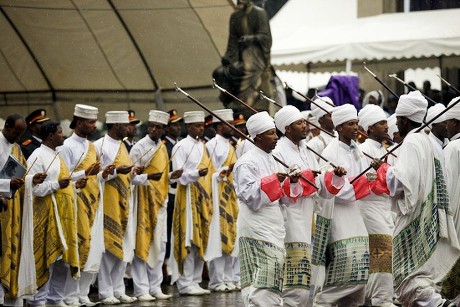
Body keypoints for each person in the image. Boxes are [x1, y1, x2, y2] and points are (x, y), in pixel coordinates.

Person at [371, 91, 459, 307]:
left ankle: (437, 305)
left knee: (406, 277)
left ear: (404, 119)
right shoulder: (430, 142)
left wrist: (382, 169)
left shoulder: (412, 142)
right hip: (430, 215)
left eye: (398, 119)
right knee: (419, 275)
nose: (397, 124)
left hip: (414, 217)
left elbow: (401, 182)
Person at [273, 106, 347, 307]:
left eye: (305, 122)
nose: (305, 126)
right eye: (300, 123)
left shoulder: (306, 150)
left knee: (305, 269)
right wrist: (304, 177)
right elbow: (281, 187)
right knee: (296, 267)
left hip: (307, 214)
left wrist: (335, 176)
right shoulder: (278, 152)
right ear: (287, 129)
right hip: (290, 214)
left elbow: (319, 184)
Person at [312, 104, 375, 307]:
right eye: (350, 124)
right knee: (346, 264)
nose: (356, 127)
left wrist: (372, 174)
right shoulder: (330, 152)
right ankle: (322, 301)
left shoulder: (357, 149)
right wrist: (362, 183)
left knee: (362, 267)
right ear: (339, 127)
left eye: (356, 123)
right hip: (338, 214)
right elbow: (331, 188)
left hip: (355, 214)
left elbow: (365, 177)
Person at [233, 111, 290, 306]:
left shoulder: (272, 159)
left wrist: (292, 180)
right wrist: (274, 180)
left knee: (274, 269)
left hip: (274, 222)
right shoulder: (246, 162)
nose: (276, 138)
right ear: (258, 137)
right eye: (272, 133)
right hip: (256, 223)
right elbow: (249, 196)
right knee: (267, 269)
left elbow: (280, 195)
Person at [26, 121, 80, 307]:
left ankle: (55, 299)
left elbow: (63, 182)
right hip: (45, 217)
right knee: (45, 260)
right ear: (50, 136)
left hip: (62, 216)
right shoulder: (37, 156)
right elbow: (34, 189)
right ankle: (39, 301)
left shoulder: (56, 154)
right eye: (60, 132)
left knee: (62, 261)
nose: (63, 135)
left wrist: (75, 183)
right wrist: (58, 185)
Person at [93, 111, 144, 305]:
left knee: (123, 246)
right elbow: (95, 176)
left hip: (124, 201)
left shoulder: (123, 146)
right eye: (125, 125)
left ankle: (118, 289)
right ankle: (106, 292)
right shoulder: (99, 146)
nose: (129, 128)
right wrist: (115, 171)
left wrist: (134, 173)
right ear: (116, 126)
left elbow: (128, 176)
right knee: (108, 248)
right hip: (107, 203)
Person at [130, 110, 181, 301]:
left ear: (163, 129)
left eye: (158, 127)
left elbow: (160, 176)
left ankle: (155, 287)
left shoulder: (162, 146)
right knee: (142, 245)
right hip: (143, 202)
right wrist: (147, 177)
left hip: (160, 202)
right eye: (151, 126)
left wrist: (170, 177)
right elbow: (131, 177)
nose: (153, 129)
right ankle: (141, 290)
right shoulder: (139, 147)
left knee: (159, 246)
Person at [58, 104, 104, 307]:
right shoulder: (67, 146)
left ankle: (82, 294)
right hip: (75, 203)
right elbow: (64, 177)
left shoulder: (91, 146)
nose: (94, 126)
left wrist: (104, 172)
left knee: (92, 249)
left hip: (93, 203)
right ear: (78, 123)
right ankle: (69, 296)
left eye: (94, 122)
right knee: (77, 248)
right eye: (90, 122)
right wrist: (85, 173)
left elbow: (94, 174)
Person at [0, 114, 46, 306]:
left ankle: (12, 298)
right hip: (1, 211)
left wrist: (31, 179)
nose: (18, 137)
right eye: (16, 132)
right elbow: (8, 179)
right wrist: (7, 182)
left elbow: (23, 174)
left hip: (15, 211)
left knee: (14, 253)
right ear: (7, 127)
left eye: (21, 133)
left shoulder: (17, 149)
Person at [170, 111, 213, 296]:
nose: (201, 128)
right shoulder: (181, 146)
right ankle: (185, 283)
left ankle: (195, 281)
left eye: (202, 125)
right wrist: (196, 174)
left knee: (200, 239)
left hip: (202, 198)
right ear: (189, 127)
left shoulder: (203, 146)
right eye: (197, 126)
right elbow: (178, 176)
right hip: (187, 196)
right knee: (189, 237)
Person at [357, 105, 396, 307]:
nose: (386, 126)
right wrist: (384, 172)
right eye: (381, 123)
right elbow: (369, 182)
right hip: (368, 206)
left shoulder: (385, 149)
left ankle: (370, 297)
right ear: (370, 128)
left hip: (384, 207)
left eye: (386, 122)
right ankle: (382, 300)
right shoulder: (362, 151)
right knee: (383, 250)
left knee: (383, 252)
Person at [214, 0, 273, 114]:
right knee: (219, 73)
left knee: (246, 68)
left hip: (256, 55)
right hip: (239, 56)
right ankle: (233, 100)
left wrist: (250, 39)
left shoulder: (259, 13)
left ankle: (249, 98)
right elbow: (232, 42)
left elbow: (266, 37)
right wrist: (228, 56)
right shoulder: (235, 17)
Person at [205, 109, 239, 292]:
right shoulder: (211, 145)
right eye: (229, 124)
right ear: (219, 126)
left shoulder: (231, 145)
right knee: (218, 237)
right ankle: (216, 280)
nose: (233, 127)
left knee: (231, 235)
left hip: (230, 196)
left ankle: (228, 278)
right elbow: (209, 173)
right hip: (217, 196)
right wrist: (226, 169)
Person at [442, 96, 460, 304]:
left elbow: (443, 187)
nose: (445, 126)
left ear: (454, 122)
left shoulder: (453, 149)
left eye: (447, 122)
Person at [163, 109, 183, 281]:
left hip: (180, 192)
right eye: (174, 124)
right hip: (169, 191)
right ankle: (166, 266)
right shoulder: (165, 145)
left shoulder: (180, 143)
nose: (177, 127)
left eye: (178, 124)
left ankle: (174, 265)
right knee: (168, 230)